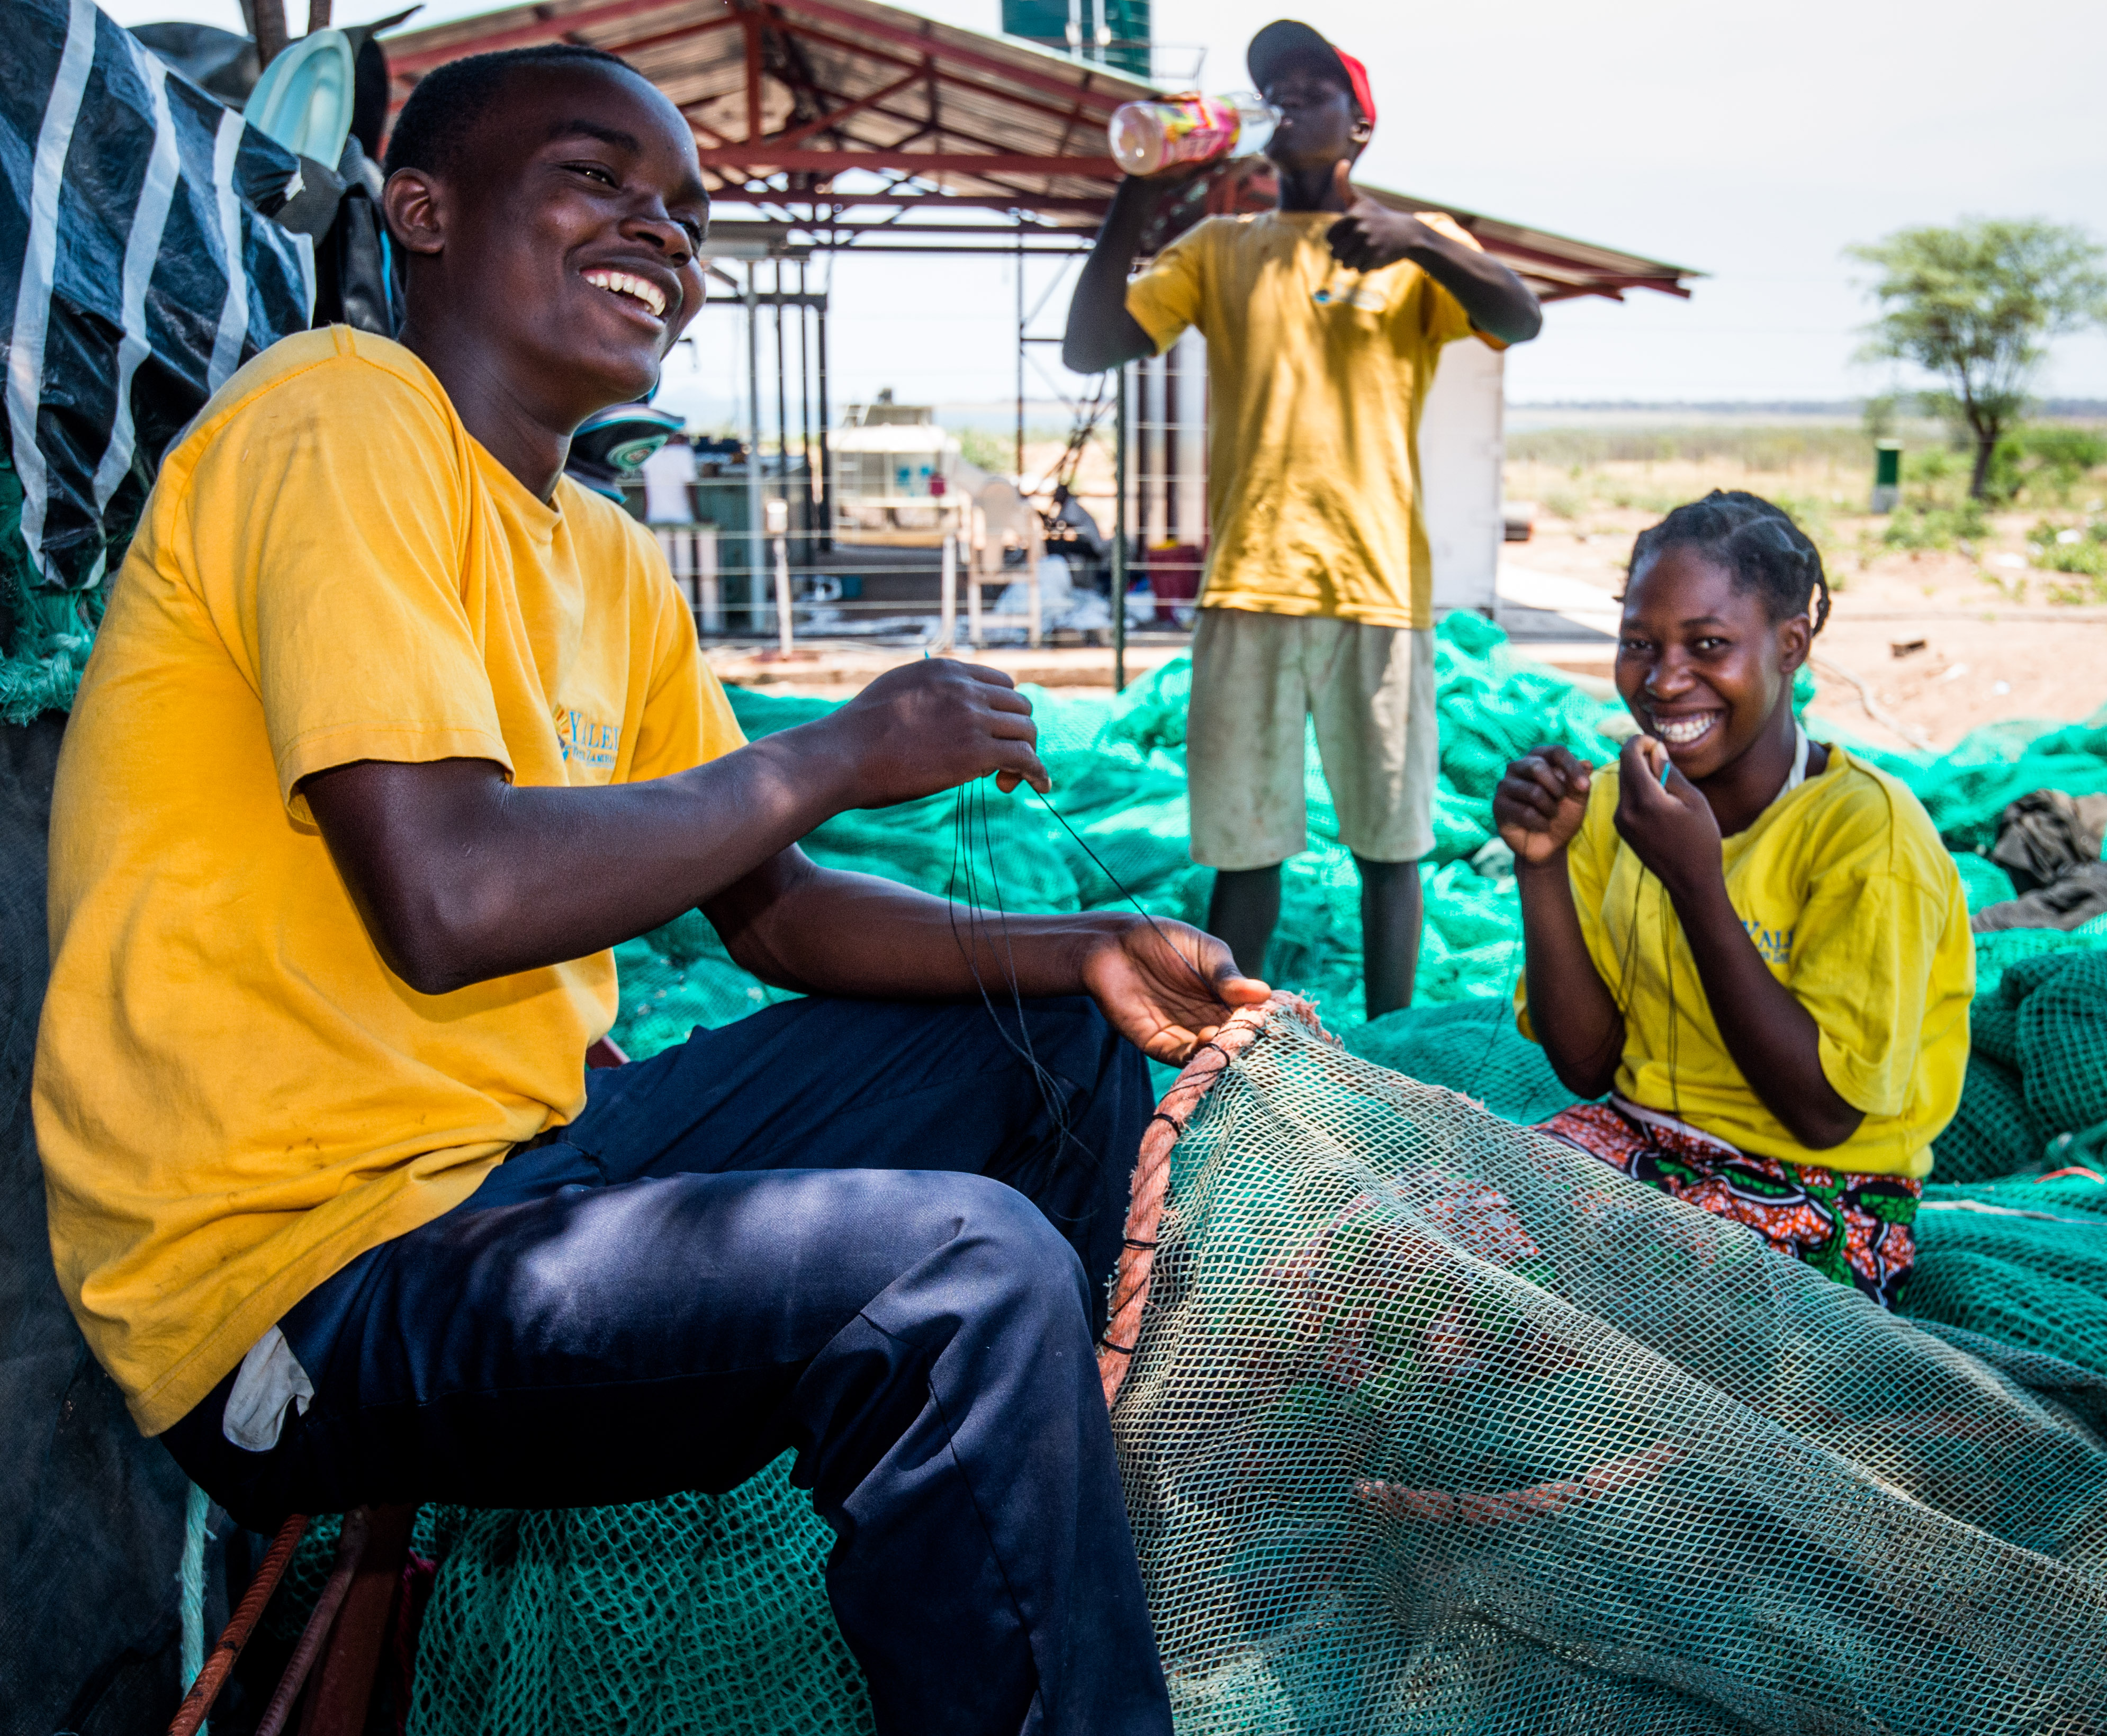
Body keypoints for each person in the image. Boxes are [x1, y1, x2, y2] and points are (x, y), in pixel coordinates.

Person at [34, 45, 1259, 1736]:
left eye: (688, 214)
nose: (663, 236)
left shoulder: (604, 552)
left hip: (514, 1182)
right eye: (600, 181)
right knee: (949, 1267)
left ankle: (1084, 1572)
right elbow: (446, 896)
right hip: (297, 1291)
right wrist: (831, 749)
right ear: (425, 211)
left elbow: (776, 910)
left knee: (1052, 1045)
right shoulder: (339, 415)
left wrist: (1082, 948)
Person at [1064, 19, 1544, 1020]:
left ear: (1359, 126)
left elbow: (1518, 317)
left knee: (1391, 845)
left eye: (1310, 88)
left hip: (1377, 590)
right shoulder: (1221, 250)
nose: (1285, 101)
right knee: (1246, 848)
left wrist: (1417, 238)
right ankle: (1231, 1043)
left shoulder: (1418, 251)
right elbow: (1090, 346)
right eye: (1271, 87)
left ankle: (1398, 1042)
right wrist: (1137, 192)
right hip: (1248, 584)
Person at [1492, 493, 1973, 1308]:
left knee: (1601, 1332)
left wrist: (1697, 884)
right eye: (1639, 644)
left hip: (1819, 1195)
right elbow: (1587, 1066)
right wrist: (1541, 864)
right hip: (1633, 1142)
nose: (1666, 680)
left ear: (1792, 645)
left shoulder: (1867, 834)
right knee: (1400, 1262)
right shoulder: (1619, 804)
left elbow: (1824, 1117)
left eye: (1708, 645)